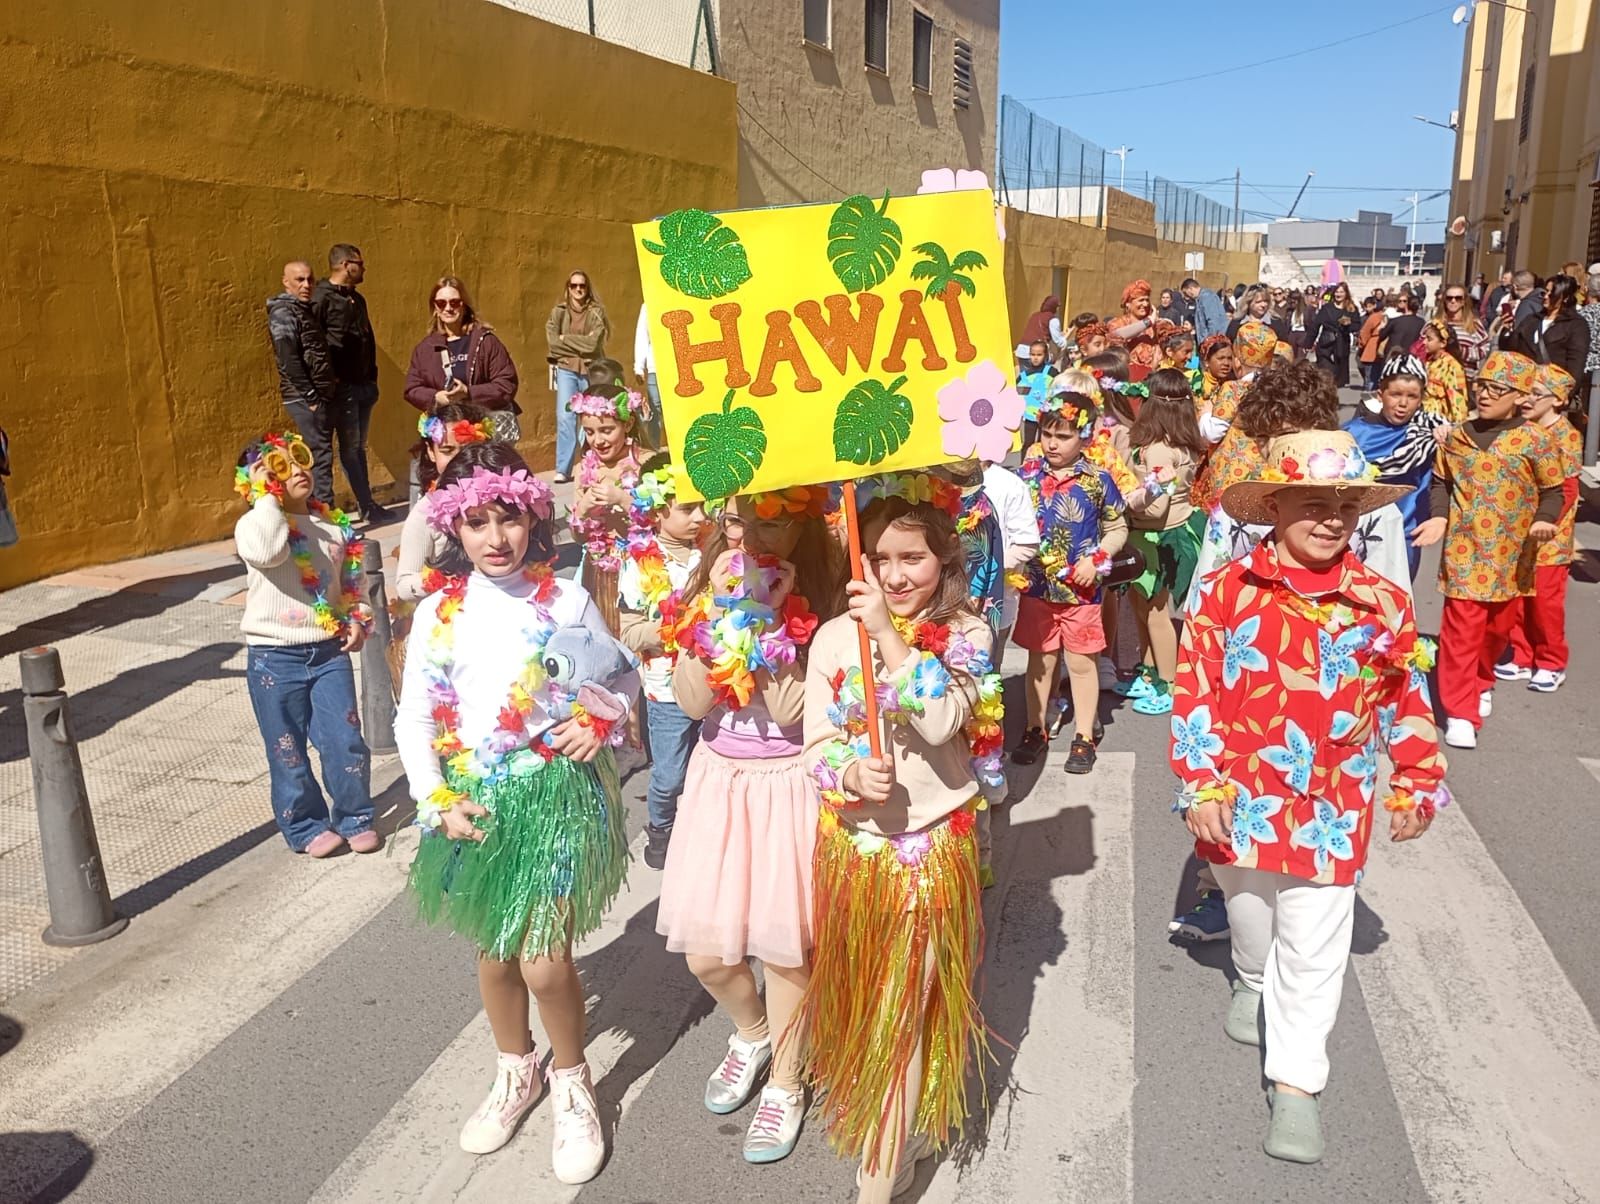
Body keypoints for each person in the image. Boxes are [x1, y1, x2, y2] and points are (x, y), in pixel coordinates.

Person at [1172, 427, 1447, 1165]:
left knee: (1317, 940)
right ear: (1277, 504)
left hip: (1334, 802)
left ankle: (1296, 1084)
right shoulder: (1228, 591)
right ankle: (1252, 975)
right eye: (1315, 503)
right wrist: (1198, 780)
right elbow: (1194, 684)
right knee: (1251, 914)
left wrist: (1417, 780)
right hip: (1239, 795)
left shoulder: (1382, 600)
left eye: (1346, 506)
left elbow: (1404, 693)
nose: (1332, 518)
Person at [397, 442, 638, 1184]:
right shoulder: (440, 611)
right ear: (454, 528)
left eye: (508, 519)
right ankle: (516, 1069)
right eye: (476, 522)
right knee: (494, 954)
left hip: (553, 797)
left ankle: (573, 1080)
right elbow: (413, 718)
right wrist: (434, 798)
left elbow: (621, 678)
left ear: (532, 520)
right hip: (475, 799)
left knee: (544, 959)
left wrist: (602, 720)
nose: (495, 537)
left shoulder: (565, 598)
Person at [803, 481, 999, 1198]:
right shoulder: (830, 639)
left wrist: (887, 635)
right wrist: (849, 769)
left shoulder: (969, 636)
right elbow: (814, 747)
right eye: (878, 558)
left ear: (943, 559)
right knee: (875, 1007)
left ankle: (876, 1182)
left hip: (929, 852)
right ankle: (907, 1135)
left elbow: (944, 720)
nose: (893, 575)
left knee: (899, 1015)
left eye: (911, 557)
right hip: (856, 854)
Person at [656, 485, 841, 1165]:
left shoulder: (824, 595)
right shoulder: (707, 584)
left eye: (772, 520)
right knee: (708, 951)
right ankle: (752, 1032)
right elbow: (691, 697)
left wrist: (770, 619)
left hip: (790, 784)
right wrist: (726, 617)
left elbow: (797, 710)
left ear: (801, 532)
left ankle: (788, 1083)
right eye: (739, 519)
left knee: (787, 949)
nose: (751, 534)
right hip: (721, 782)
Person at [1412, 351, 1565, 750]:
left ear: (1519, 397)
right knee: (1461, 631)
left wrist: (1544, 520)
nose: (1485, 395)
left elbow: (1554, 490)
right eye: (1482, 386)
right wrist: (1439, 518)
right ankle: (1460, 711)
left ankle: (1482, 679)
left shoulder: (1536, 440)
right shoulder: (1458, 436)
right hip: (1464, 552)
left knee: (1496, 631)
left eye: (1498, 389)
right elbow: (1441, 484)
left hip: (1513, 556)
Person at [233, 432, 375, 857]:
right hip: (274, 656)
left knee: (344, 738)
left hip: (328, 652)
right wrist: (268, 500)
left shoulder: (332, 526)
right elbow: (271, 552)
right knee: (287, 749)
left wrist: (357, 617)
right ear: (259, 482)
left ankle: (355, 816)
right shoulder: (257, 525)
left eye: (300, 459)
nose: (297, 471)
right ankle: (306, 826)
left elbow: (352, 582)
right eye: (280, 467)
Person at [1012, 391, 1127, 774]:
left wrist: (1097, 560)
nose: (1052, 443)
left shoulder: (1098, 480)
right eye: (1047, 433)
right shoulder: (1024, 479)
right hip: (1038, 589)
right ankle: (1035, 727)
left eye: (1063, 436)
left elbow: (1116, 526)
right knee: (1041, 663)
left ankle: (1083, 735)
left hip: (1082, 593)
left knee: (1080, 664)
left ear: (1086, 437)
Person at [616, 455, 707, 869]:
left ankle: (705, 829)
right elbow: (631, 633)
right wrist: (678, 626)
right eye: (688, 509)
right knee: (669, 774)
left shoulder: (711, 554)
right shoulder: (638, 564)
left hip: (713, 685)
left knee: (708, 769)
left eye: (703, 506)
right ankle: (661, 825)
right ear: (658, 510)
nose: (699, 517)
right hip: (665, 688)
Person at [1116, 369, 1208, 715]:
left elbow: (1155, 508)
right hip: (1176, 530)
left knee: (1155, 612)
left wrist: (1124, 501)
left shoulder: (1157, 451)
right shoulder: (1181, 442)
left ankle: (1168, 683)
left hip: (1155, 536)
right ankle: (1150, 671)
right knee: (1144, 608)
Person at [1498, 365, 1582, 692]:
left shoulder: (1567, 436)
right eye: (1526, 392)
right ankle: (1521, 654)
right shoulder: (1523, 429)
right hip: (1519, 533)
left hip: (1550, 539)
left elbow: (1569, 489)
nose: (1527, 399)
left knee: (1545, 604)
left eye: (1536, 394)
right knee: (1519, 598)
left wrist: (1546, 521)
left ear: (1558, 400)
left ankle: (1551, 661)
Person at [312, 244, 394, 524]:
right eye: (360, 262)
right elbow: (315, 344)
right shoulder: (321, 298)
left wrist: (372, 377)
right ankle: (363, 506)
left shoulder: (356, 299)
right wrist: (330, 379)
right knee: (349, 448)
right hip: (342, 388)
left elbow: (366, 339)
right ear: (347, 265)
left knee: (358, 448)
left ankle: (366, 503)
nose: (364, 268)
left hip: (364, 385)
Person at [1344, 353, 1442, 579]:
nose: (1403, 403)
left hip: (1405, 533)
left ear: (1421, 399)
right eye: (1395, 394)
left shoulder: (1428, 435)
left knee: (1396, 602)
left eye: (1412, 396)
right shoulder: (1353, 434)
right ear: (1381, 395)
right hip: (1356, 530)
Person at [394, 403, 493, 603]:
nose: (458, 459)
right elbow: (404, 584)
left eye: (467, 449)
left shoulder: (501, 496)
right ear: (431, 452)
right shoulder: (425, 512)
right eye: (447, 450)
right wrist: (445, 582)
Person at [569, 384, 648, 634]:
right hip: (598, 569)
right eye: (589, 432)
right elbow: (577, 536)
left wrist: (624, 500)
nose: (598, 441)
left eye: (606, 430)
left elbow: (663, 520)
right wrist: (581, 511)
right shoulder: (584, 469)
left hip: (642, 567)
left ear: (628, 424)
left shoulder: (645, 463)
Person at [402, 276, 520, 441]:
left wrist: (469, 393)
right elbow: (412, 389)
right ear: (435, 308)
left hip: (484, 434)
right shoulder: (425, 349)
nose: (448, 308)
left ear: (464, 306)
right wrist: (436, 397)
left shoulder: (485, 341)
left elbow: (506, 384)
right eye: (441, 303)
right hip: (445, 436)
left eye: (454, 302)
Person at [266, 261, 338, 507]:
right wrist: (311, 396)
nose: (306, 285)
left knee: (321, 453)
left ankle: (322, 513)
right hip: (303, 396)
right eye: (299, 280)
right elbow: (287, 358)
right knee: (319, 455)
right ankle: (327, 517)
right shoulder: (284, 312)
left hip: (315, 395)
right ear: (286, 282)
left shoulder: (303, 309)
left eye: (310, 279)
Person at [546, 269, 610, 483]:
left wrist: (566, 339)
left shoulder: (596, 312)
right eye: (574, 286)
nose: (578, 290)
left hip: (591, 370)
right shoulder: (559, 312)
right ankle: (563, 469)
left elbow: (593, 344)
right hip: (566, 370)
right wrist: (572, 342)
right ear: (568, 288)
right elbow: (553, 344)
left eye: (582, 286)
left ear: (587, 288)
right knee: (565, 417)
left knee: (593, 416)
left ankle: (590, 466)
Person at [1511, 274, 1591, 388]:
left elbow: (1576, 365)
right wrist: (1507, 329)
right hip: (1522, 385)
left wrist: (1566, 394)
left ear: (1566, 297)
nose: (1546, 296)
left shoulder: (1576, 325)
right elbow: (1512, 350)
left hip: (1550, 390)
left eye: (1551, 293)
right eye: (1545, 292)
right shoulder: (1532, 319)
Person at [1307, 282, 1361, 386]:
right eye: (1337, 292)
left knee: (1338, 378)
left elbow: (1357, 326)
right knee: (1325, 374)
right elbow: (1315, 325)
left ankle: (1333, 396)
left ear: (1346, 293)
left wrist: (1348, 325)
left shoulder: (1351, 308)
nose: (1338, 294)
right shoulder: (1327, 308)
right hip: (1326, 343)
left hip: (1342, 344)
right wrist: (1308, 343)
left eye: (1341, 292)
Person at [1421, 319, 1470, 423]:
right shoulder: (1429, 362)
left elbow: (1458, 401)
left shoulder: (1452, 366)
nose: (1424, 342)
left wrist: (1458, 428)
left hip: (1441, 421)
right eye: (1424, 338)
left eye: (1429, 339)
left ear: (1443, 343)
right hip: (1424, 417)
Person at [1110, 280, 1164, 376]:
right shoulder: (1118, 323)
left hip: (1155, 376)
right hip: (1128, 377)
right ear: (1128, 304)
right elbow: (1117, 335)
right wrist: (1148, 322)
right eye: (1141, 300)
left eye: (1147, 300)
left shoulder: (1156, 325)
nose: (1146, 304)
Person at [633, 303, 666, 450]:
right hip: (655, 368)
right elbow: (642, 335)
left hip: (680, 368)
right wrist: (639, 367)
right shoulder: (648, 304)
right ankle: (655, 450)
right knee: (655, 410)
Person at [1437, 283, 1490, 372]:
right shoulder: (1435, 323)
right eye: (1449, 298)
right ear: (1444, 301)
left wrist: (1461, 351)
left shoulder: (1474, 324)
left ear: (1463, 301)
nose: (1453, 301)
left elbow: (1485, 349)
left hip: (1465, 377)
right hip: (1438, 376)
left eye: (1458, 298)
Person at [1016, 339, 1056, 448]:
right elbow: (1017, 394)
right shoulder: (1024, 376)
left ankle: (1042, 464)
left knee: (1043, 442)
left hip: (1046, 414)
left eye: (1039, 354)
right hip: (1030, 415)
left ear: (1045, 355)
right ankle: (1024, 464)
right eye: (1032, 354)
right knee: (1028, 443)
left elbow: (1060, 388)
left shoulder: (1052, 372)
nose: (1035, 357)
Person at [1018, 294, 1065, 363]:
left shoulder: (1034, 315)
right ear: (1054, 307)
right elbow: (1057, 340)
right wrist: (1065, 342)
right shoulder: (1053, 319)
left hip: (1021, 351)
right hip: (1037, 353)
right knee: (1041, 373)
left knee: (1024, 374)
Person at [1379, 291, 1424, 361]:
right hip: (1410, 358)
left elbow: (1381, 336)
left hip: (1392, 356)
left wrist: (1382, 327)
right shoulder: (1421, 322)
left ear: (1407, 305)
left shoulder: (1395, 321)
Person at [1356, 297, 1385, 391]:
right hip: (1384, 351)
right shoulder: (1385, 316)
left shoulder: (1374, 317)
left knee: (1370, 380)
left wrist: (1361, 345)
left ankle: (1368, 401)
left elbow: (1365, 333)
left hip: (1371, 350)